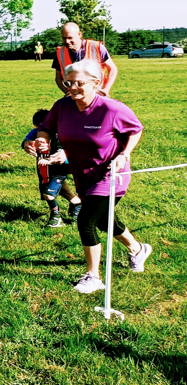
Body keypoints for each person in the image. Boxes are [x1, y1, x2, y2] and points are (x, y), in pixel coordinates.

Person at [36, 60, 151, 294]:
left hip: (111, 174)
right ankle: (138, 249)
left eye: (79, 83)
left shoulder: (112, 109)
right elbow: (45, 127)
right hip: (83, 175)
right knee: (103, 220)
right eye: (68, 82)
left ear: (96, 83)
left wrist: (125, 154)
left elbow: (135, 129)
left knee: (86, 221)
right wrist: (42, 140)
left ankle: (93, 277)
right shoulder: (62, 106)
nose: (72, 88)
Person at [22, 109, 82, 228]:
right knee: (54, 190)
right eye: (38, 128)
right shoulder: (36, 132)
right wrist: (26, 143)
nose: (40, 132)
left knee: (48, 194)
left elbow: (67, 152)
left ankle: (56, 217)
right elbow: (28, 138)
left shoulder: (60, 135)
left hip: (60, 168)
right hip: (44, 170)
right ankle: (77, 204)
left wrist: (52, 160)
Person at [53, 22, 117, 96]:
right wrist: (68, 93)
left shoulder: (96, 47)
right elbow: (58, 79)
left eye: (70, 38)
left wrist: (105, 90)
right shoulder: (60, 53)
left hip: (96, 95)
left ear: (79, 34)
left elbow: (112, 69)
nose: (67, 41)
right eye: (64, 38)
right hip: (75, 96)